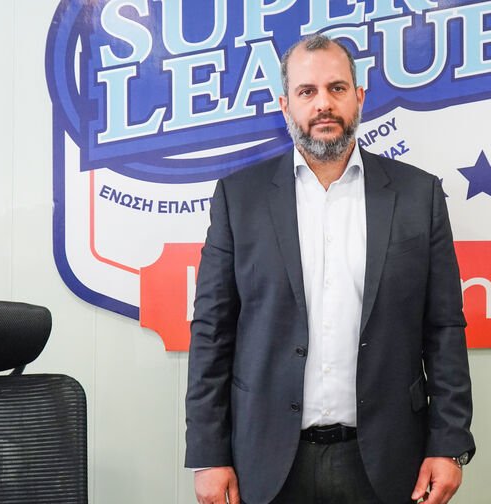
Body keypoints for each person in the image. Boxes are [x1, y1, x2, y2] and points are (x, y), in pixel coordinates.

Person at [185, 33, 475, 504]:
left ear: (358, 97)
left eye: (337, 88)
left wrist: (448, 444)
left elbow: (443, 329)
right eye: (307, 91)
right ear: (285, 105)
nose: (323, 103)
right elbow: (211, 333)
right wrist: (208, 454)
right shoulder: (239, 199)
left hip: (387, 460)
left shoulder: (418, 196)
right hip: (266, 461)